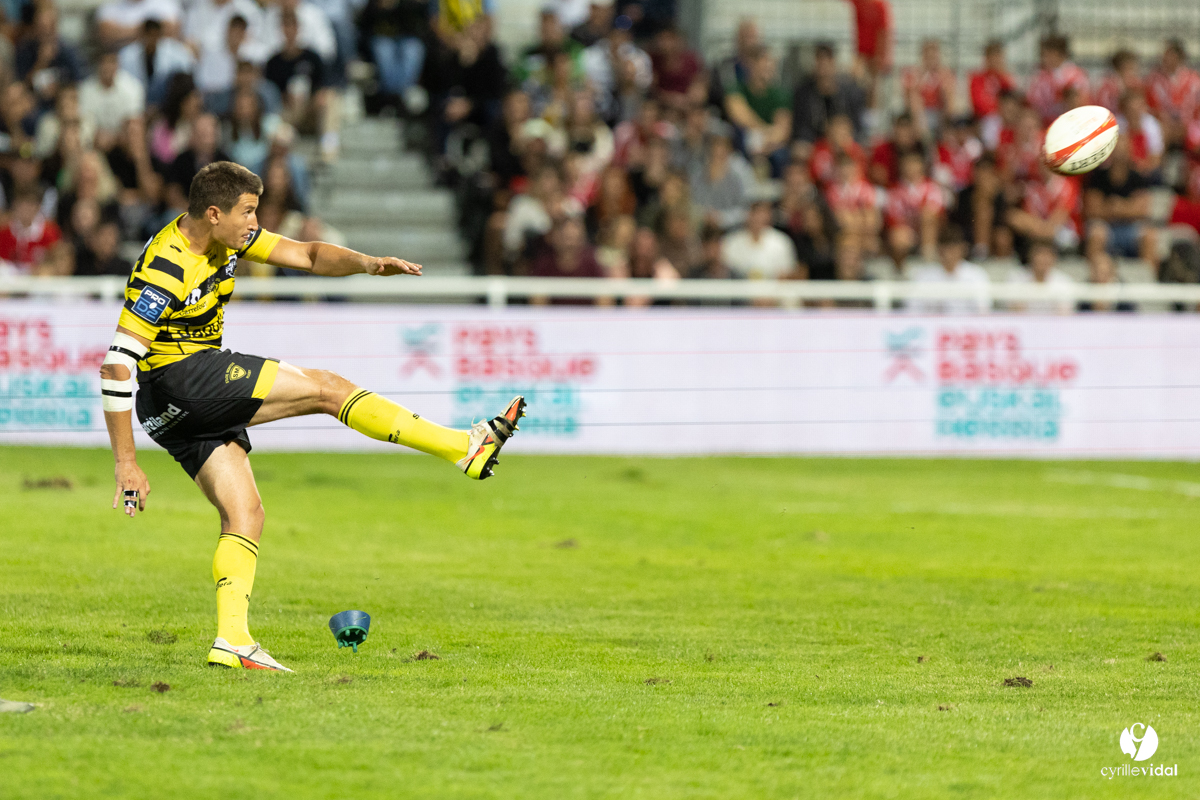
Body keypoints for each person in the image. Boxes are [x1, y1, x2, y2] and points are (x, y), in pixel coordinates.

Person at [99, 161, 525, 673]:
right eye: (248, 212)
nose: (255, 222)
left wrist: (369, 265)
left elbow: (307, 254)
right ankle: (463, 447)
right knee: (327, 388)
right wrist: (126, 462)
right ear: (214, 213)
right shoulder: (165, 267)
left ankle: (232, 640)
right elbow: (117, 364)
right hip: (182, 379)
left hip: (169, 409)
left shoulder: (225, 238)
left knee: (246, 515)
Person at [1084, 134, 1157, 265]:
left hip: (1130, 228)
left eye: (1123, 150)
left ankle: (1148, 281)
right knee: (1096, 234)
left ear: (1130, 151)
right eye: (1116, 149)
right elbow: (1092, 210)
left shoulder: (1138, 177)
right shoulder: (1098, 177)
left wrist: (1116, 206)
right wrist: (1128, 207)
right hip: (1106, 226)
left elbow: (1142, 211)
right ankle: (1095, 277)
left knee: (1149, 237)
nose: (1120, 154)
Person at [723, 44, 792, 176]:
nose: (768, 68)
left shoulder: (780, 94)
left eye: (770, 65)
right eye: (763, 64)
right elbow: (739, 114)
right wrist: (764, 132)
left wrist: (765, 141)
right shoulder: (737, 89)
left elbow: (783, 130)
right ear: (751, 65)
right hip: (743, 143)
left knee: (781, 155)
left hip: (770, 146)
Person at [792, 42, 866, 147]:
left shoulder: (850, 93)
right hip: (814, 145)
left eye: (826, 62)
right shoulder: (803, 93)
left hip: (844, 144)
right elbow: (800, 128)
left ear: (833, 64)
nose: (823, 69)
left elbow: (857, 128)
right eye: (820, 62)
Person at [907, 225, 990, 314]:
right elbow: (913, 310)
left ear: (963, 248)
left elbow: (983, 310)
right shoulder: (924, 276)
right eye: (946, 247)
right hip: (933, 325)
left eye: (953, 247)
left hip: (966, 325)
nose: (949, 253)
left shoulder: (976, 275)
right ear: (939, 249)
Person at [884, 151, 943, 270]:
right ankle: (900, 271)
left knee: (927, 220)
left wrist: (917, 218)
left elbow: (936, 214)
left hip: (928, 231)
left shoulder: (931, 188)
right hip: (906, 231)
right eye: (907, 164)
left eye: (914, 164)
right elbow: (893, 219)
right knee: (898, 235)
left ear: (921, 166)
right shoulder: (895, 190)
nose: (911, 168)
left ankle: (929, 261)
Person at [720, 198, 801, 280]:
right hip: (739, 290)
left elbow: (788, 272)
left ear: (769, 216)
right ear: (748, 215)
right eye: (755, 213)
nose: (758, 218)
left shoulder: (781, 242)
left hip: (773, 290)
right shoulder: (731, 242)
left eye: (763, 214)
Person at [1026, 34, 1089, 124]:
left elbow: (1081, 103)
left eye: (1048, 54)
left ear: (1059, 54)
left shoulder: (1076, 75)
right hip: (1043, 123)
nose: (1044, 58)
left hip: (1071, 122)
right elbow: (1032, 103)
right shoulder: (1039, 76)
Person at [1008, 238, 1075, 315]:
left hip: (1054, 325)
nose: (1042, 259)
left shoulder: (1064, 281)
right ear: (1030, 255)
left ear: (1054, 258)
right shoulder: (1016, 277)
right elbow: (1015, 312)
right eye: (1039, 254)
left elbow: (1064, 315)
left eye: (1047, 255)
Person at [968, 40, 1015, 119]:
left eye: (999, 57)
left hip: (1005, 118)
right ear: (987, 58)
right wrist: (998, 109)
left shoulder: (1005, 78)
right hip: (985, 119)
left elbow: (1013, 100)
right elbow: (979, 104)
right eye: (994, 57)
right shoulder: (977, 78)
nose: (997, 60)